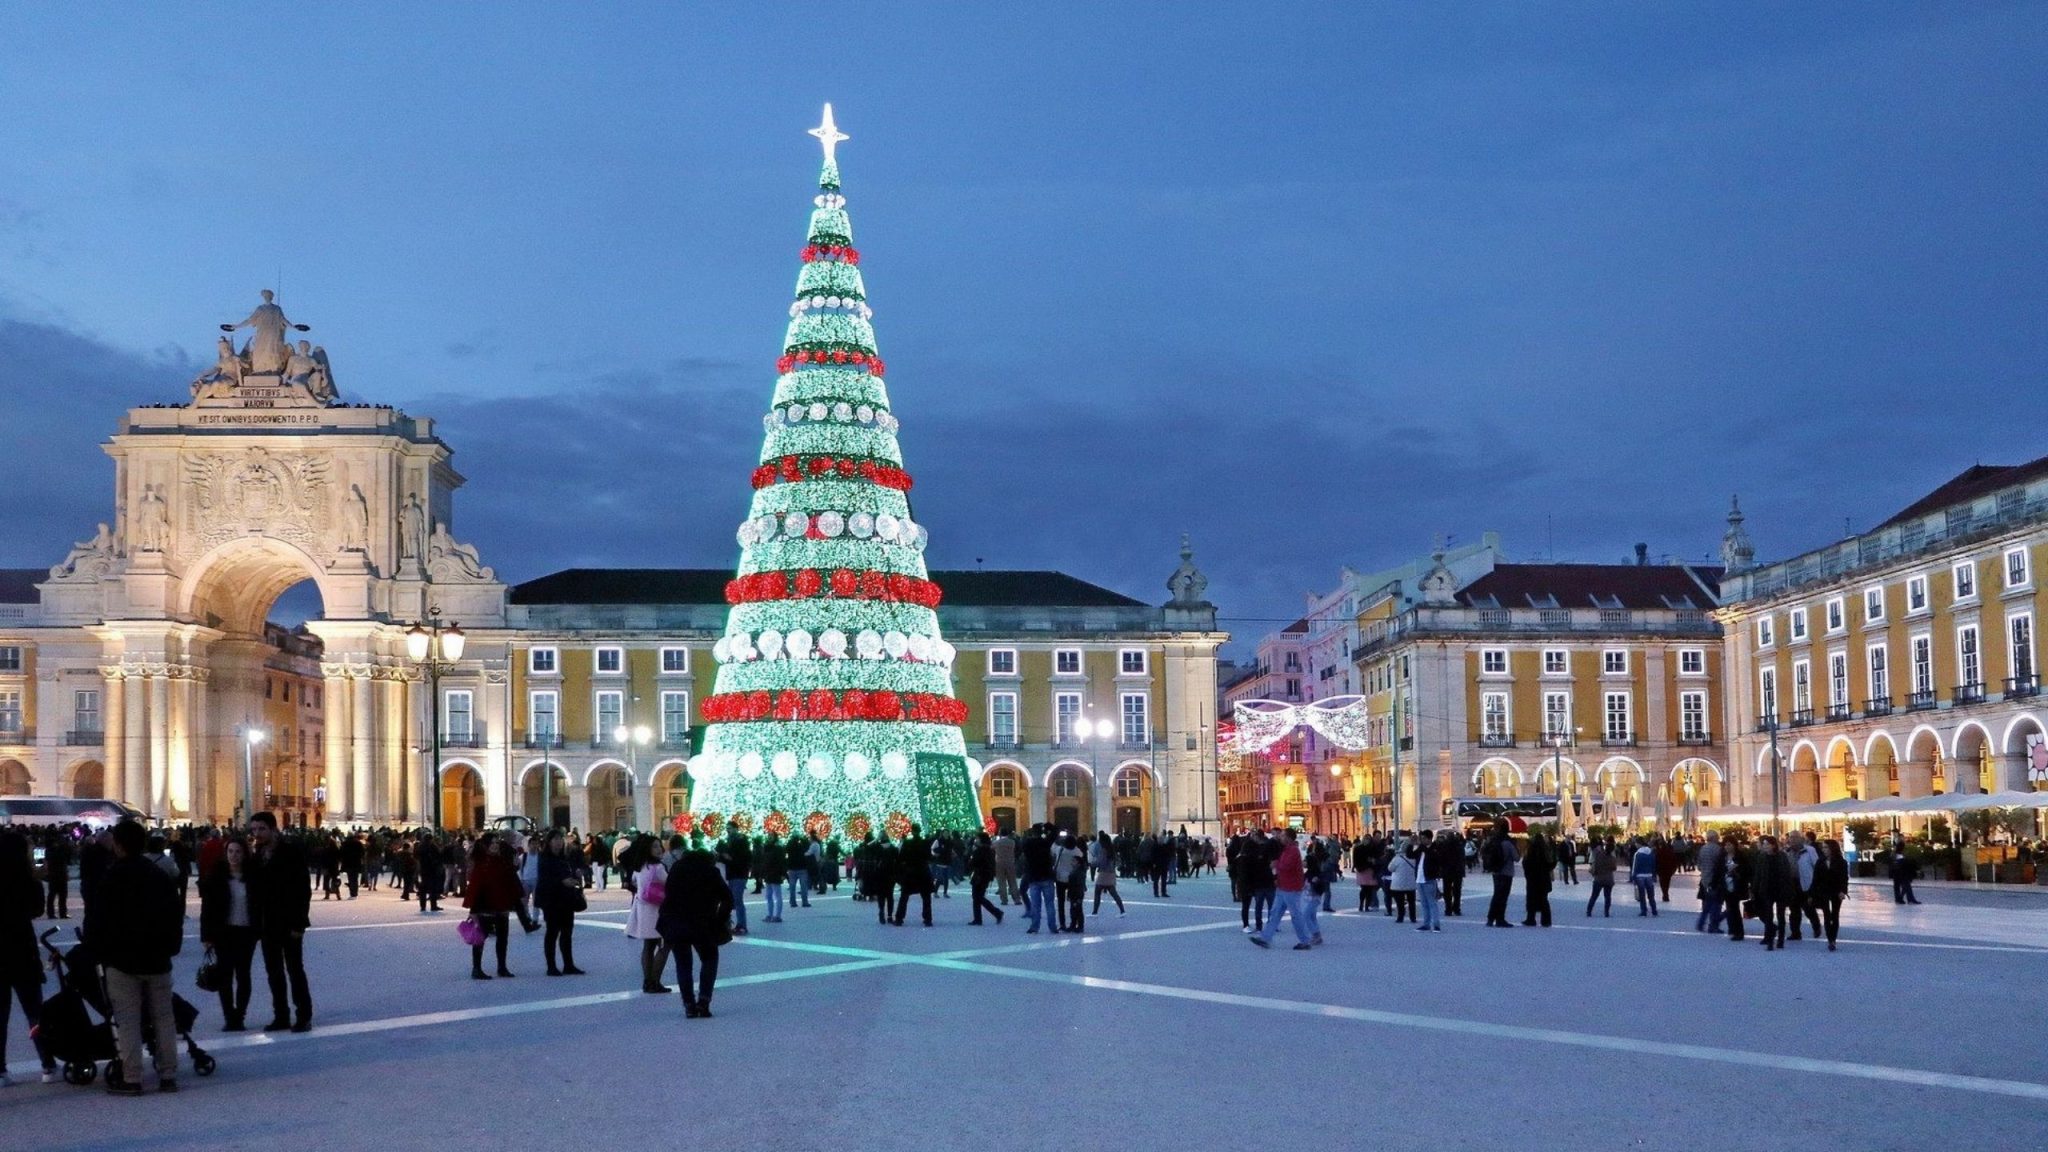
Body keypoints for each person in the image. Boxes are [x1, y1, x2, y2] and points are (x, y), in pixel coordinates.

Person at [82, 820, 182, 1094]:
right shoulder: (159, 876)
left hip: (122, 961)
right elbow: (175, 914)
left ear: (117, 845)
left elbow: (98, 919)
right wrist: (171, 947)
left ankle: (133, 1077)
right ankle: (168, 1074)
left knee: (128, 1021)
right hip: (158, 959)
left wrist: (97, 951)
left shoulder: (111, 877)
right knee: (164, 1018)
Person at [247, 812, 313, 1032]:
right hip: (267, 926)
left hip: (289, 923)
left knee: (295, 970)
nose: (257, 834)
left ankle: (303, 1015)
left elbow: (303, 889)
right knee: (274, 972)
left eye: (261, 829)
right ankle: (281, 1015)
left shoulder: (290, 852)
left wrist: (299, 924)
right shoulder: (256, 856)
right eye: (254, 830)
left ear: (273, 829)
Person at [1, 830, 57, 1086]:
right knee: (34, 1012)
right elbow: (36, 909)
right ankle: (47, 1063)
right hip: (21, 949)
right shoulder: (26, 880)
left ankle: (1, 1070)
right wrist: (36, 872)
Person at [657, 839, 733, 1018]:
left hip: (677, 924)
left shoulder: (676, 869)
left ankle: (689, 1004)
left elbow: (668, 895)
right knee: (709, 959)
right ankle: (704, 1001)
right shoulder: (710, 871)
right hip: (704, 924)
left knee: (683, 965)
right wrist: (720, 918)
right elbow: (728, 898)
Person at [197, 836, 258, 1030]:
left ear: (245, 854)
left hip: (246, 932)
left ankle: (240, 1015)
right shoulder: (216, 877)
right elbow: (207, 908)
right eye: (230, 851)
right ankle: (229, 1016)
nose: (234, 855)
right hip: (224, 932)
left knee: (243, 974)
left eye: (238, 851)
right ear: (225, 853)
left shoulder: (253, 877)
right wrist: (206, 935)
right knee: (225, 976)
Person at [464, 835, 524, 980]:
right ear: (486, 845)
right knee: (480, 938)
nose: (496, 845)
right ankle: (476, 968)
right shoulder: (481, 863)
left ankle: (502, 967)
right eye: (493, 843)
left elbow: (508, 877)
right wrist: (473, 911)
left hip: (501, 904)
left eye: (497, 843)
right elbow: (475, 887)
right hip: (484, 906)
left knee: (503, 938)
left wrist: (516, 865)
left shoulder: (500, 860)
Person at [1249, 829, 1312, 950]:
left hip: (1291, 887)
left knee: (1295, 915)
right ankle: (1265, 938)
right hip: (1284, 886)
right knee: (1275, 913)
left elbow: (1287, 866)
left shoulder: (1292, 850)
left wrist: (1276, 865)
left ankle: (1304, 940)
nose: (1280, 837)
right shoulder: (1287, 849)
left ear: (1288, 837)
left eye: (1283, 835)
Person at [534, 831, 587, 976]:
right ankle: (551, 966)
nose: (559, 842)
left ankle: (568, 964)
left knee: (567, 932)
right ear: (549, 842)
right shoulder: (544, 858)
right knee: (552, 932)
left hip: (566, 899)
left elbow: (568, 872)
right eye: (555, 839)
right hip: (551, 900)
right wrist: (561, 881)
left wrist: (575, 875)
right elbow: (544, 880)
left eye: (560, 839)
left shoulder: (565, 858)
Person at [1752, 836, 1795, 951]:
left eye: (1767, 844)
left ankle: (1780, 939)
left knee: (1781, 916)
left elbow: (1787, 874)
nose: (1765, 846)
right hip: (1767, 889)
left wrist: (1789, 889)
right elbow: (1758, 874)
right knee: (1769, 915)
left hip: (1780, 889)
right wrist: (1755, 889)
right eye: (1764, 844)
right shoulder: (1762, 857)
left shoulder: (1782, 856)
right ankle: (1770, 940)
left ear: (1773, 845)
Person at [893, 824, 935, 928]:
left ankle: (899, 918)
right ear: (920, 831)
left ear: (912, 831)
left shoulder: (907, 843)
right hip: (923, 872)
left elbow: (901, 858)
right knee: (926, 897)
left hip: (910, 873)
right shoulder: (925, 843)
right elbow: (929, 857)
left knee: (904, 897)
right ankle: (927, 919)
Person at [1020, 825, 1058, 934]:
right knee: (1049, 904)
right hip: (1046, 875)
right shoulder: (1045, 842)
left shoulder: (1027, 844)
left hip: (1033, 876)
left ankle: (1034, 926)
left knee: (1036, 905)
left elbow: (1022, 846)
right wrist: (1048, 826)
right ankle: (1052, 926)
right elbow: (1055, 832)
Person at [1814, 838, 1850, 951]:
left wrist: (1843, 891)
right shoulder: (1820, 861)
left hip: (1836, 891)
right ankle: (1830, 939)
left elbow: (1844, 878)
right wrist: (1812, 892)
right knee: (1826, 914)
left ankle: (1833, 938)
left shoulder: (1841, 862)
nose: (1824, 850)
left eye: (1826, 847)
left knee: (1835, 915)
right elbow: (1816, 878)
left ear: (1832, 848)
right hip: (1824, 891)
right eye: (1823, 847)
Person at [716, 822, 751, 937]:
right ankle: (733, 924)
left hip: (739, 874)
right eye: (727, 828)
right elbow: (728, 858)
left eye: (730, 828)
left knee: (737, 900)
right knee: (732, 900)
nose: (728, 830)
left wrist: (726, 856)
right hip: (732, 874)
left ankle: (742, 925)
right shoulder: (730, 841)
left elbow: (738, 858)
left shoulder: (740, 841)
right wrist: (721, 855)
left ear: (736, 829)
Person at [1787, 833, 1823, 942]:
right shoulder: (1786, 852)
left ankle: (1816, 926)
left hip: (1806, 883)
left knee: (1808, 908)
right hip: (1792, 883)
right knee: (1794, 909)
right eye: (1791, 838)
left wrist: (1817, 882)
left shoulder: (1809, 850)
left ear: (1801, 839)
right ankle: (1795, 932)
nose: (1792, 840)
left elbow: (1817, 865)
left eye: (1795, 838)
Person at [1483, 823, 1518, 927]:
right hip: (1506, 872)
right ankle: (1500, 919)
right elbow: (1516, 858)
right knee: (1503, 896)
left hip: (1495, 871)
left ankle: (1490, 918)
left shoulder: (1494, 841)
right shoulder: (1508, 842)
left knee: (1496, 895)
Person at [968, 833, 1005, 925]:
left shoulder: (979, 851)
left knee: (977, 897)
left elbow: (973, 863)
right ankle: (978, 918)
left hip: (979, 875)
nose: (976, 840)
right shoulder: (989, 850)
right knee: (978, 897)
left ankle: (996, 912)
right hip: (986, 876)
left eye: (977, 838)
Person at [1694, 831, 1726, 934]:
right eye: (1717, 837)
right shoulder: (1718, 849)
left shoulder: (1703, 849)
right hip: (1714, 880)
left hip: (1704, 880)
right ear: (1714, 838)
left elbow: (1698, 865)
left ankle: (1701, 923)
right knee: (1716, 905)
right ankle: (1713, 926)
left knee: (1707, 904)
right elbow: (1720, 866)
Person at [1053, 831, 1085, 933]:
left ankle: (1062, 923)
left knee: (1060, 902)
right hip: (1073, 880)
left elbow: (1052, 847)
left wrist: (1057, 839)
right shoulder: (1077, 852)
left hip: (1060, 878)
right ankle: (1074, 923)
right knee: (1073, 902)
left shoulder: (1060, 850)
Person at [1520, 830, 1554, 927]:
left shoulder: (1531, 850)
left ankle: (1531, 918)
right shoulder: (1546, 851)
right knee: (1544, 900)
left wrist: (1528, 873)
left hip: (1533, 879)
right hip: (1544, 879)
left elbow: (1526, 863)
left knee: (1531, 899)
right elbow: (1551, 863)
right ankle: (1546, 920)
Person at [1089, 831, 1125, 917]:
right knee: (1113, 893)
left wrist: (1093, 863)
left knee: (1097, 892)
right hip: (1111, 873)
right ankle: (1122, 910)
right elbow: (1116, 861)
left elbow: (1101, 862)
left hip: (1103, 873)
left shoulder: (1103, 850)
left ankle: (1095, 912)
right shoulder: (1111, 850)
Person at [1412, 831, 1441, 934]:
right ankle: (1426, 924)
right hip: (1420, 878)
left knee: (1432, 903)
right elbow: (1410, 855)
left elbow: (1436, 860)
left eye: (1424, 838)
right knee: (1424, 903)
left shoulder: (1435, 848)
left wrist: (1422, 847)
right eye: (1421, 839)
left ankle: (1436, 925)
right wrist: (1410, 844)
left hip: (1429, 879)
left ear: (1429, 839)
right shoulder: (1421, 849)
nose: (1422, 840)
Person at [1385, 835, 1417, 924]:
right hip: (1411, 883)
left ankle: (1400, 917)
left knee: (1400, 902)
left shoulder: (1397, 858)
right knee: (1411, 902)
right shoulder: (1413, 858)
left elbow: (1390, 868)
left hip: (1398, 884)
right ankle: (1413, 917)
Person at [758, 828, 787, 924]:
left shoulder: (777, 848)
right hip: (769, 873)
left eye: (771, 836)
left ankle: (777, 915)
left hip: (775, 873)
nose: (769, 837)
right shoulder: (767, 847)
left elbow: (782, 861)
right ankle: (770, 914)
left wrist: (783, 873)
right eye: (769, 836)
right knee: (769, 895)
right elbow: (764, 862)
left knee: (777, 895)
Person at [42, 831, 72, 920]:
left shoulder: (49, 851)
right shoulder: (60, 850)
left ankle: (51, 913)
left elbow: (47, 862)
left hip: (53, 874)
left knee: (52, 894)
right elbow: (65, 860)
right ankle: (62, 913)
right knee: (62, 895)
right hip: (60, 874)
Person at [1585, 838, 1616, 917]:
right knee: (1608, 896)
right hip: (1608, 879)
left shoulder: (1599, 855)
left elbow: (1595, 865)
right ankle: (1606, 912)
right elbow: (1614, 868)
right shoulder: (1612, 859)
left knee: (1594, 895)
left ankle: (1589, 911)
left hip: (1599, 878)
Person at [1629, 838, 1659, 917]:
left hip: (1640, 876)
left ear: (1639, 844)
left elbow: (1635, 866)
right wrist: (1654, 875)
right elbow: (1654, 865)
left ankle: (1644, 911)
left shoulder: (1637, 854)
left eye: (1636, 843)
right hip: (1649, 875)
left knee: (1642, 895)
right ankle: (1654, 910)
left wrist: (1633, 877)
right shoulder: (1650, 853)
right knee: (1651, 895)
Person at [1352, 837, 1379, 912]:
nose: (1366, 841)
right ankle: (1362, 905)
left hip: (1368, 869)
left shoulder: (1371, 848)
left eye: (1368, 840)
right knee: (1365, 888)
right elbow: (1355, 859)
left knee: (1368, 889)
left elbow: (1375, 858)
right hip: (1364, 869)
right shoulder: (1360, 848)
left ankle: (1365, 905)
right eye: (1366, 840)